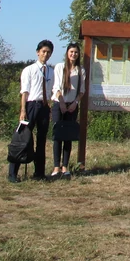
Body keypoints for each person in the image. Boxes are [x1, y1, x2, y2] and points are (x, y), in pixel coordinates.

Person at [8, 39, 54, 183]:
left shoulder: (51, 71)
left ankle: (39, 172)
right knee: (22, 138)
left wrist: (50, 106)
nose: (45, 55)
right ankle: (12, 173)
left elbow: (52, 90)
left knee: (41, 141)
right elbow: (25, 91)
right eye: (43, 52)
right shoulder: (29, 70)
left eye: (48, 52)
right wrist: (23, 110)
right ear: (38, 52)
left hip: (44, 107)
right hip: (30, 106)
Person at [50, 42, 86, 179]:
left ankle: (65, 167)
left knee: (68, 137)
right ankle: (56, 167)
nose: (73, 54)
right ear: (67, 53)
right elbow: (56, 87)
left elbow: (81, 90)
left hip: (72, 106)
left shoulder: (81, 70)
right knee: (58, 137)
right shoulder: (60, 67)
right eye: (71, 52)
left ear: (78, 54)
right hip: (58, 104)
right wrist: (61, 103)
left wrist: (74, 103)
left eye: (76, 52)